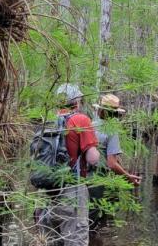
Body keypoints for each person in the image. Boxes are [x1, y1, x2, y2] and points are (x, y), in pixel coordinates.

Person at [37, 83, 100, 245]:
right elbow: (93, 158)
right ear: (77, 101)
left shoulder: (47, 120)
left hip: (44, 193)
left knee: (48, 240)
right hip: (72, 191)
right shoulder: (81, 119)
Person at [93, 93, 141, 185]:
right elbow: (112, 164)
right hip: (100, 178)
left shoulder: (90, 125)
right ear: (115, 114)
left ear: (99, 110)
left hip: (84, 175)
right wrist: (129, 178)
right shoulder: (112, 131)